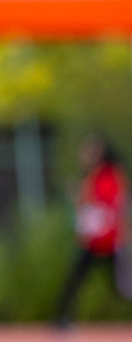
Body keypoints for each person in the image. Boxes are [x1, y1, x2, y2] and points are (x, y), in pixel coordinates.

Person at [55, 134, 129, 328]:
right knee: (75, 280)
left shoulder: (112, 175)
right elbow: (85, 208)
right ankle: (62, 320)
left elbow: (116, 207)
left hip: (112, 242)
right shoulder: (90, 177)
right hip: (93, 242)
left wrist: (123, 233)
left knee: (123, 287)